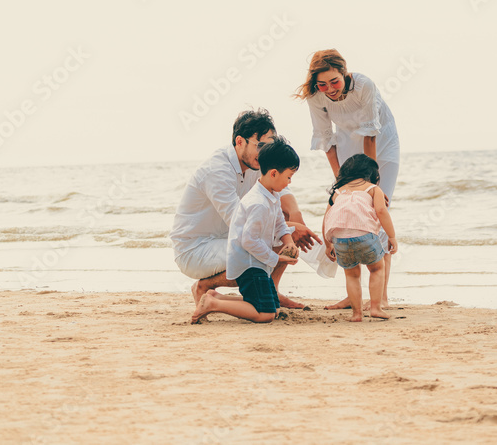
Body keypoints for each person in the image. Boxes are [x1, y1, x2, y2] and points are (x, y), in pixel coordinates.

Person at [170, 109, 320, 308]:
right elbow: (239, 222)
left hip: (225, 240)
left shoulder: (255, 163)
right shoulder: (217, 170)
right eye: (260, 145)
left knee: (282, 236)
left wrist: (295, 216)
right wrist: (290, 229)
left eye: (270, 146)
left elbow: (278, 191)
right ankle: (204, 286)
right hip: (195, 249)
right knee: (263, 245)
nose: (265, 152)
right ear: (239, 141)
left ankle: (271, 293)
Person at [295, 49, 401, 309]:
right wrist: (341, 184)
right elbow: (325, 139)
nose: (329, 88)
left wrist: (371, 183)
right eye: (322, 83)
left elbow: (370, 135)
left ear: (344, 73)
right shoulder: (315, 96)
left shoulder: (364, 85)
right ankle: (354, 294)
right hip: (345, 143)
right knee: (347, 210)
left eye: (334, 81)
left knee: (378, 209)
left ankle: (381, 296)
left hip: (382, 145)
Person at [191, 137, 300, 324]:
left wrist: (288, 241)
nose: (289, 182)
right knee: (265, 314)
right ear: (274, 173)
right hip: (249, 265)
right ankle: (213, 304)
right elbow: (248, 240)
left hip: (257, 263)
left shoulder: (271, 196)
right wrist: (276, 259)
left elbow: (280, 223)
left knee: (273, 308)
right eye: (289, 177)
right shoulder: (258, 203)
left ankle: (217, 298)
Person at [322, 154, 398, 322]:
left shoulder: (337, 192)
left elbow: (326, 218)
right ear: (372, 174)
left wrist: (328, 245)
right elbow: (382, 211)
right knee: (377, 269)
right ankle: (376, 308)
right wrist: (391, 236)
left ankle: (357, 314)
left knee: (352, 276)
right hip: (365, 236)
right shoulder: (373, 189)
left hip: (340, 240)